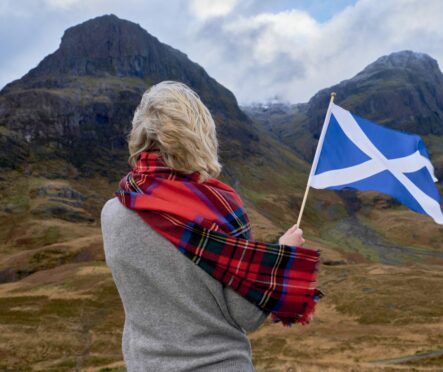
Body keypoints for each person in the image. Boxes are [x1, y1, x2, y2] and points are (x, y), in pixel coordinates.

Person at [101, 81, 323, 371]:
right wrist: (281, 255)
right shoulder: (221, 209)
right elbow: (247, 316)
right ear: (200, 134)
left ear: (140, 134)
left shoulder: (113, 213)